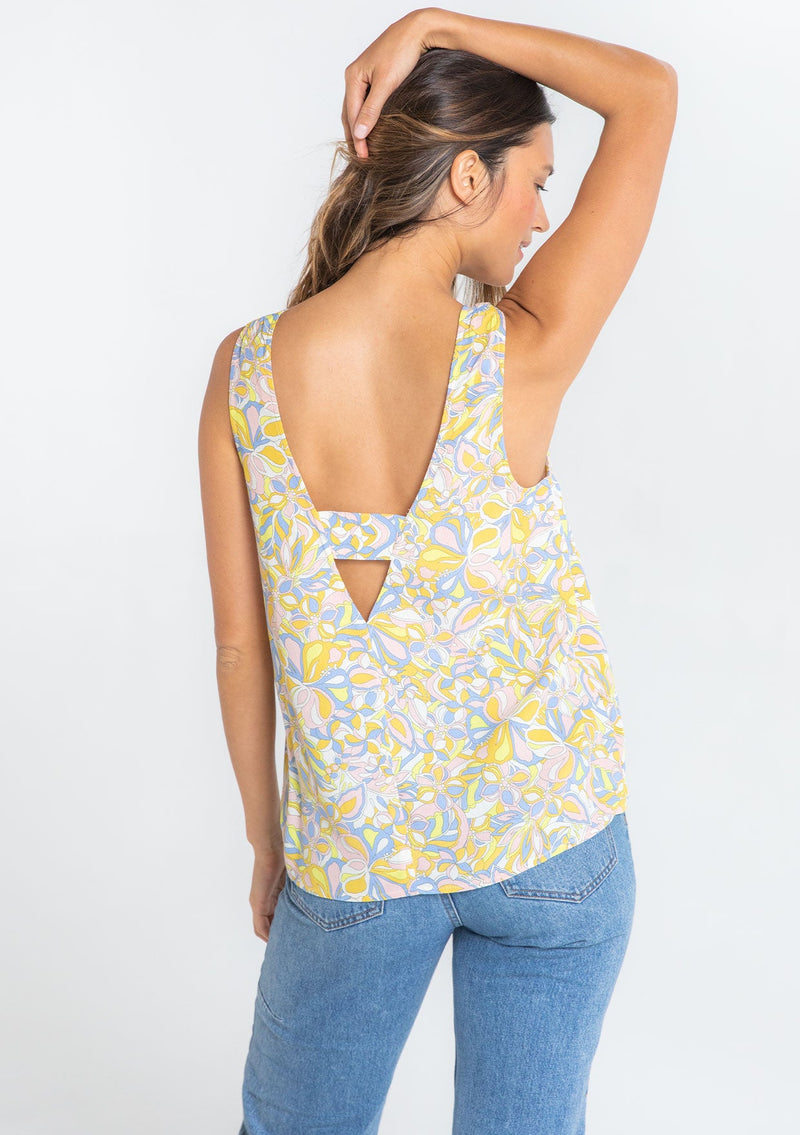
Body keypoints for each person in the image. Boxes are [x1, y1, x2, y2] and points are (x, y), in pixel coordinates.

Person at [198, 9, 677, 1134]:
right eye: (535, 181)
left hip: (358, 860)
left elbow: (239, 644)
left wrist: (270, 838)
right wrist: (438, 23)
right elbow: (649, 94)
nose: (542, 214)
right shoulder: (520, 354)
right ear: (468, 176)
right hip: (551, 840)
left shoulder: (246, 372)